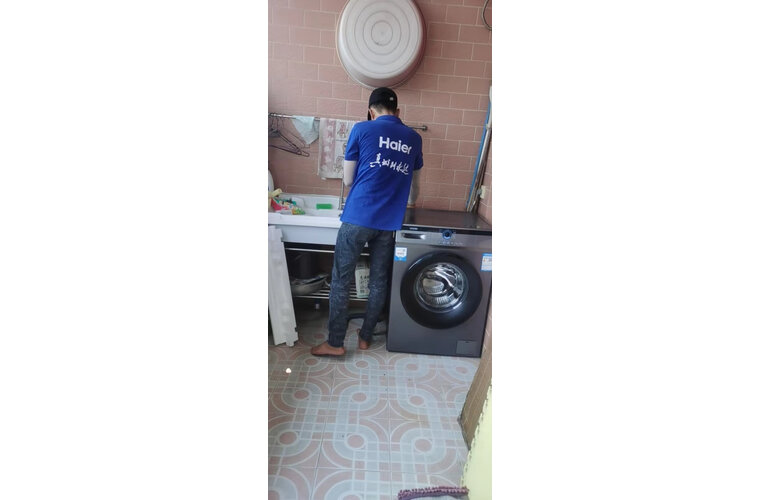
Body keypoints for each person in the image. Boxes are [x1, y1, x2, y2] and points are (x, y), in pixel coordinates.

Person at [311, 87, 423, 356]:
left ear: (371, 111)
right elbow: (415, 189)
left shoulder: (362, 129)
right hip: (389, 222)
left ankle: (335, 343)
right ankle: (365, 336)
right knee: (378, 281)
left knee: (341, 280)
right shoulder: (414, 138)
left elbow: (349, 179)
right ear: (398, 111)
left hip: (358, 216)